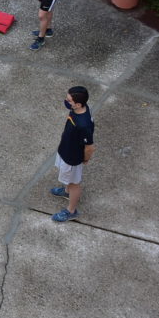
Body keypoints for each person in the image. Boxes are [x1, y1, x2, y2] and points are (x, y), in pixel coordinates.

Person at [48, 85, 94, 222]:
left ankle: (71, 211)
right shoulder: (78, 109)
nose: (66, 101)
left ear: (78, 104)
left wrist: (85, 159)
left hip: (72, 158)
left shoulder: (83, 124)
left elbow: (90, 147)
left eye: (69, 100)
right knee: (70, 181)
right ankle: (66, 191)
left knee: (74, 183)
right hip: (66, 149)